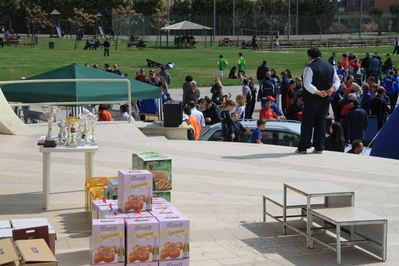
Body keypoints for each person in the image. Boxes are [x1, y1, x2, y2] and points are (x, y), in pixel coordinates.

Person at [296, 47, 340, 154]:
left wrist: (318, 92)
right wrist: (332, 89)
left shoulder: (310, 67)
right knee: (321, 121)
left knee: (307, 122)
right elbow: (337, 81)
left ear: (310, 57)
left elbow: (307, 84)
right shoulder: (330, 67)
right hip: (326, 99)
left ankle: (303, 147)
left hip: (312, 99)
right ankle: (319, 146)